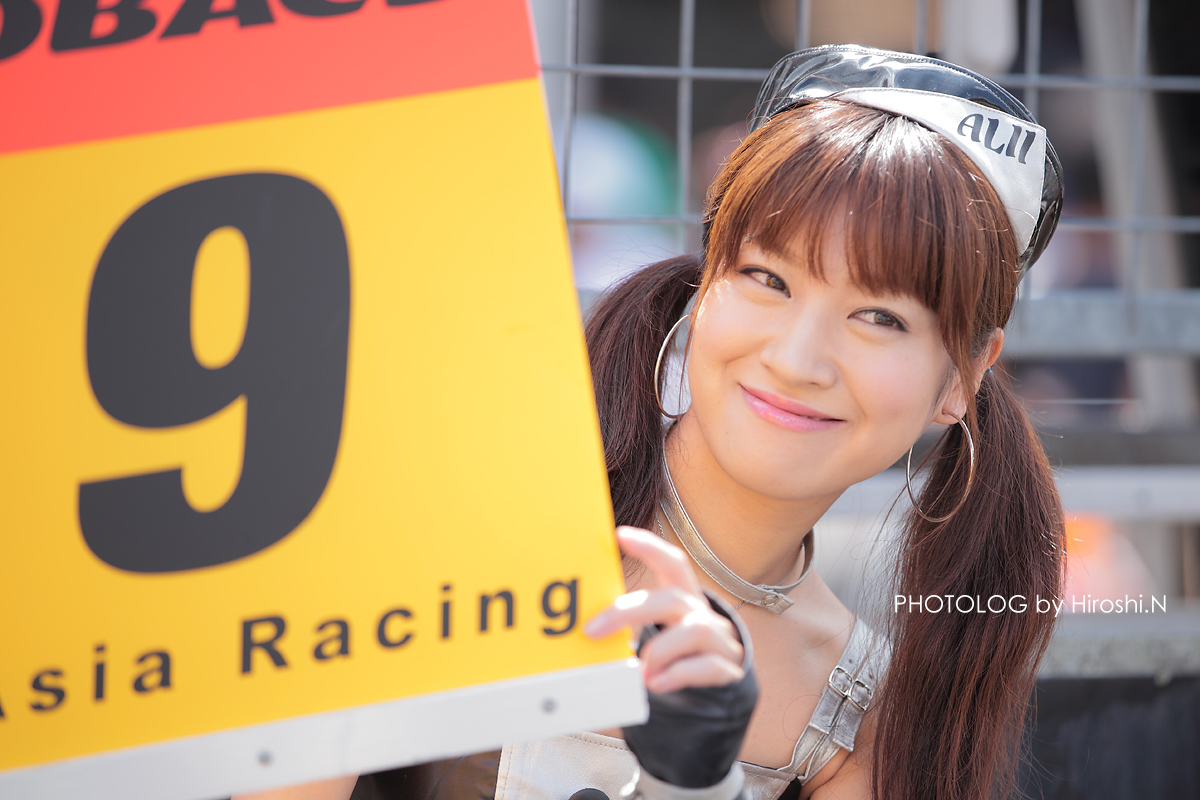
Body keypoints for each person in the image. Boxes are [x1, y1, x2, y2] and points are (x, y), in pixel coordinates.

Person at [237, 44, 1066, 800]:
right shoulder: (479, 512)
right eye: (766, 279)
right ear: (706, 286)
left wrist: (702, 778)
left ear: (964, 374)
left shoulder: (858, 715)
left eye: (880, 316)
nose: (797, 358)